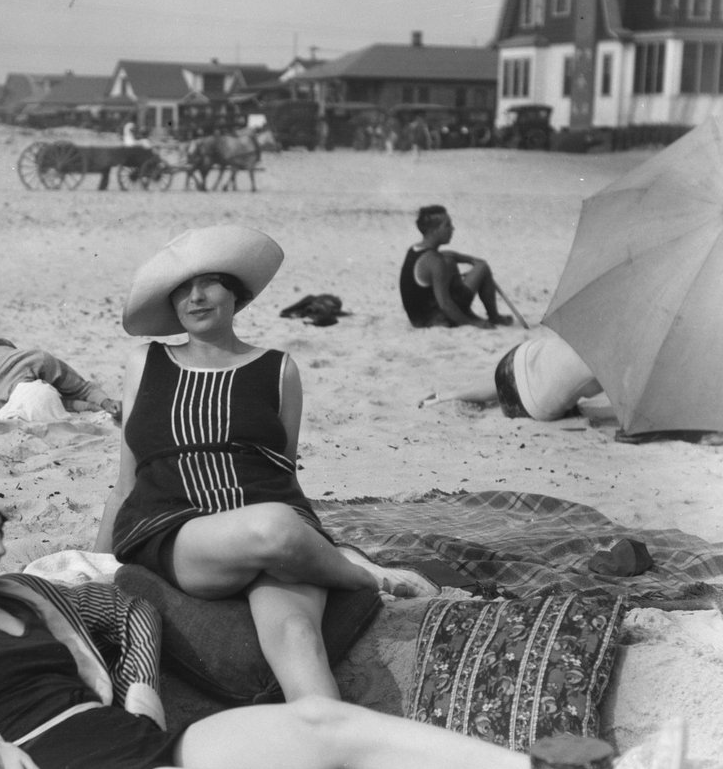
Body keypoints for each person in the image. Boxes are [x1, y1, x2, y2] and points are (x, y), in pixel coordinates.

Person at [0, 466, 539, 769]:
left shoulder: (28, 592)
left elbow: (130, 613)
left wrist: (141, 687)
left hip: (132, 735)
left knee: (328, 723)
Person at [95, 224, 438, 704]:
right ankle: (364, 576)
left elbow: (282, 473)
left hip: (272, 519)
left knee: (299, 640)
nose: (195, 297)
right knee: (273, 528)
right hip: (182, 530)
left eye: (209, 283)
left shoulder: (278, 368)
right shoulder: (146, 362)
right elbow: (125, 480)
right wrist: (94, 561)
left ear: (236, 294)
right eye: (182, 290)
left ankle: (339, 762)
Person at [420, 332, 603, 421]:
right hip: (527, 404)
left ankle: (445, 396)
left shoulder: (601, 321)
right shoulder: (617, 366)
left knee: (533, 376)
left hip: (518, 357)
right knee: (532, 386)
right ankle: (446, 396)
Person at [399, 204, 514, 329]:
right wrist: (473, 323)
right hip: (436, 320)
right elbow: (445, 304)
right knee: (482, 267)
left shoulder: (416, 250)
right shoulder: (435, 261)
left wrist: (468, 259)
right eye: (447, 225)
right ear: (434, 230)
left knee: (449, 260)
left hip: (418, 318)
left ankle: (480, 314)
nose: (452, 229)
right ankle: (494, 316)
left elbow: (447, 255)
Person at [0, 338, 120, 418]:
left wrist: (105, 402)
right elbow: (53, 404)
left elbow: (82, 388)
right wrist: (89, 406)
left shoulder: (41, 361)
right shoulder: (1, 404)